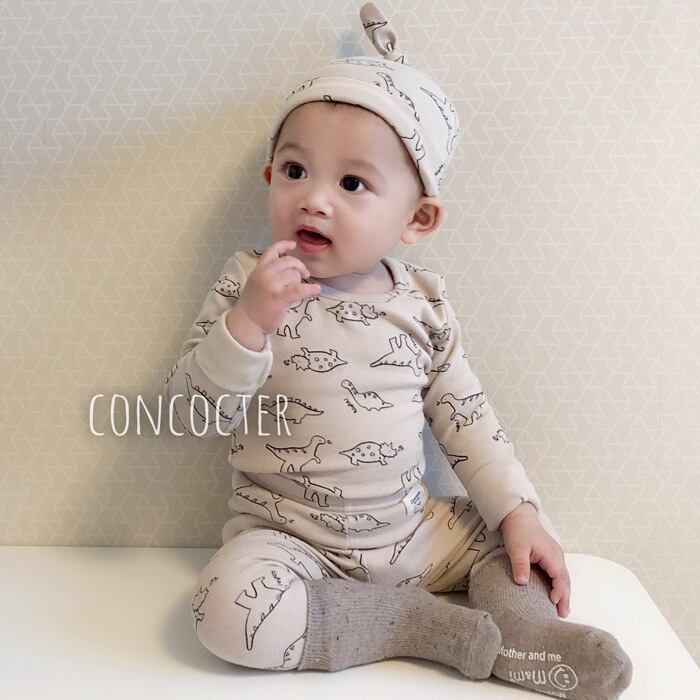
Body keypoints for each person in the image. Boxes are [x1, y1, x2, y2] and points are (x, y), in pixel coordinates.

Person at [167, 4, 633, 698]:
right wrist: (249, 324)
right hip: (286, 543)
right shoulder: (245, 284)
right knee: (225, 614)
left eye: (352, 184)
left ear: (417, 218)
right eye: (295, 170)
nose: (314, 200)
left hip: (411, 534)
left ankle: (525, 637)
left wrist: (518, 511)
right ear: (270, 177)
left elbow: (468, 420)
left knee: (515, 542)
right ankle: (414, 626)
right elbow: (189, 414)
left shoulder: (423, 307)